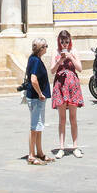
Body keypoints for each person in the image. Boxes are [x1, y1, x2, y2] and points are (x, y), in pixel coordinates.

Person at [50, 30, 84, 159]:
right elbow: (52, 70)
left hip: (72, 86)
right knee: (62, 119)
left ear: (70, 41)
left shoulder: (74, 52)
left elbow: (79, 68)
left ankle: (75, 146)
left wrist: (70, 57)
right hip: (60, 86)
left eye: (67, 41)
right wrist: (59, 61)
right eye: (62, 41)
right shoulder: (55, 52)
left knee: (73, 118)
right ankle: (61, 147)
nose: (64, 44)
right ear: (59, 41)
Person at [24, 36, 51, 165]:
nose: (47, 48)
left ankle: (39, 152)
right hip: (36, 98)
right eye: (46, 46)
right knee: (34, 126)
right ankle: (31, 155)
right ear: (41, 49)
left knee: (39, 126)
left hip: (36, 97)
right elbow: (34, 79)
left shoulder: (34, 58)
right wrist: (40, 93)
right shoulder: (35, 60)